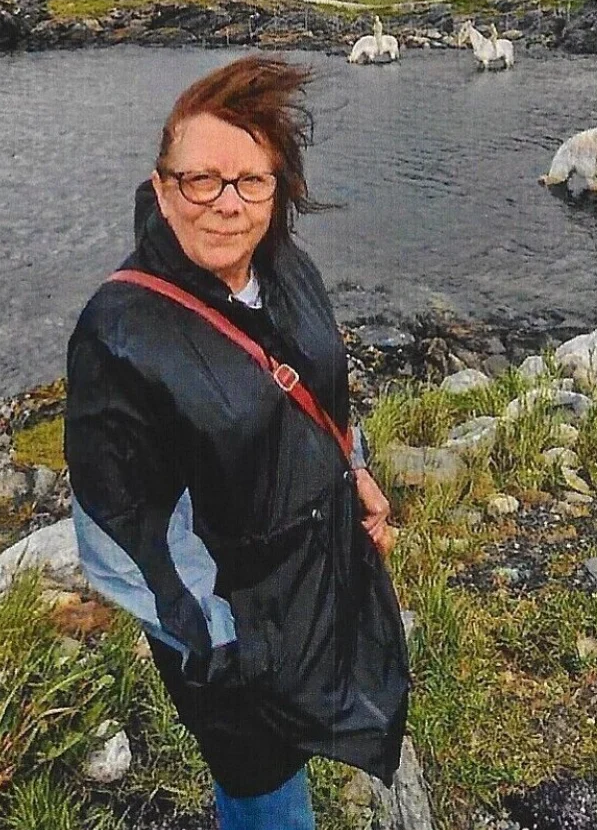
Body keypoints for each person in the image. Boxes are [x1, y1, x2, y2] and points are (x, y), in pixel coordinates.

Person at [66, 55, 410, 829]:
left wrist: (357, 472)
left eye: (251, 182)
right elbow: (118, 528)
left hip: (323, 568)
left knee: (351, 698)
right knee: (268, 796)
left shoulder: (286, 268)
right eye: (201, 181)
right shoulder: (119, 335)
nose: (227, 205)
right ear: (162, 186)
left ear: (277, 188)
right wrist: (227, 648)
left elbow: (319, 388)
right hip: (231, 621)